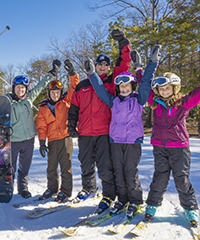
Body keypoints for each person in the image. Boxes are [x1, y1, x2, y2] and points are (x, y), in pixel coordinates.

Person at [85, 45, 161, 218]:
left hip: (133, 142)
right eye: (121, 86)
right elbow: (100, 89)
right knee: (118, 172)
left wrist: (153, 62)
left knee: (130, 172)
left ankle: (135, 201)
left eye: (127, 86)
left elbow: (147, 80)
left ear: (132, 86)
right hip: (115, 141)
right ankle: (122, 199)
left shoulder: (139, 99)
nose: (124, 89)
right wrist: (91, 74)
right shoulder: (114, 101)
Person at [67, 29, 131, 213]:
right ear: (94, 66)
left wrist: (124, 44)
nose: (102, 66)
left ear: (109, 67)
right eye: (99, 64)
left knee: (105, 165)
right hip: (85, 132)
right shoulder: (83, 85)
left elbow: (124, 64)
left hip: (104, 131)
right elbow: (74, 107)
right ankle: (89, 189)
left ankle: (109, 194)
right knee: (85, 163)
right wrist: (72, 125)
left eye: (105, 64)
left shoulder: (113, 82)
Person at [144, 70, 200, 226]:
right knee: (159, 178)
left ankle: (190, 209)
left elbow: (198, 93)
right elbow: (144, 85)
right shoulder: (155, 103)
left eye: (167, 88)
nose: (164, 91)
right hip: (159, 146)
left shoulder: (183, 102)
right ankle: (152, 205)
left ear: (175, 88)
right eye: (161, 89)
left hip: (179, 147)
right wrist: (142, 69)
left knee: (181, 179)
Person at [6, 59, 61, 199]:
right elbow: (0, 105)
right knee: (10, 168)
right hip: (13, 140)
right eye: (18, 87)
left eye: (23, 88)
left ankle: (23, 188)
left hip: (29, 140)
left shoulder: (29, 99)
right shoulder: (7, 101)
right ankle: (8, 188)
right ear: (13, 88)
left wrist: (51, 73)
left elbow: (41, 85)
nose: (20, 90)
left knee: (24, 168)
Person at [36, 59, 80, 203]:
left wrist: (72, 73)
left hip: (66, 138)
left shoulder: (66, 101)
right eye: (53, 92)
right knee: (51, 167)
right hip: (52, 140)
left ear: (61, 92)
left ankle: (66, 191)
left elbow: (75, 86)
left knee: (66, 166)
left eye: (58, 92)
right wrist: (42, 142)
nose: (55, 94)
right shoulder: (43, 108)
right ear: (49, 93)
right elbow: (42, 127)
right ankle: (52, 188)